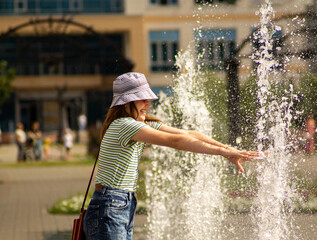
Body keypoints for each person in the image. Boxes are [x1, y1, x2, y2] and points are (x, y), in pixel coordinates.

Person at [83, 72, 261, 240]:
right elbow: (175, 141)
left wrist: (228, 150)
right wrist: (224, 152)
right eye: (142, 99)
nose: (148, 104)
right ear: (126, 102)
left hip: (118, 203)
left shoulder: (137, 124)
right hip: (111, 204)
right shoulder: (125, 125)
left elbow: (190, 134)